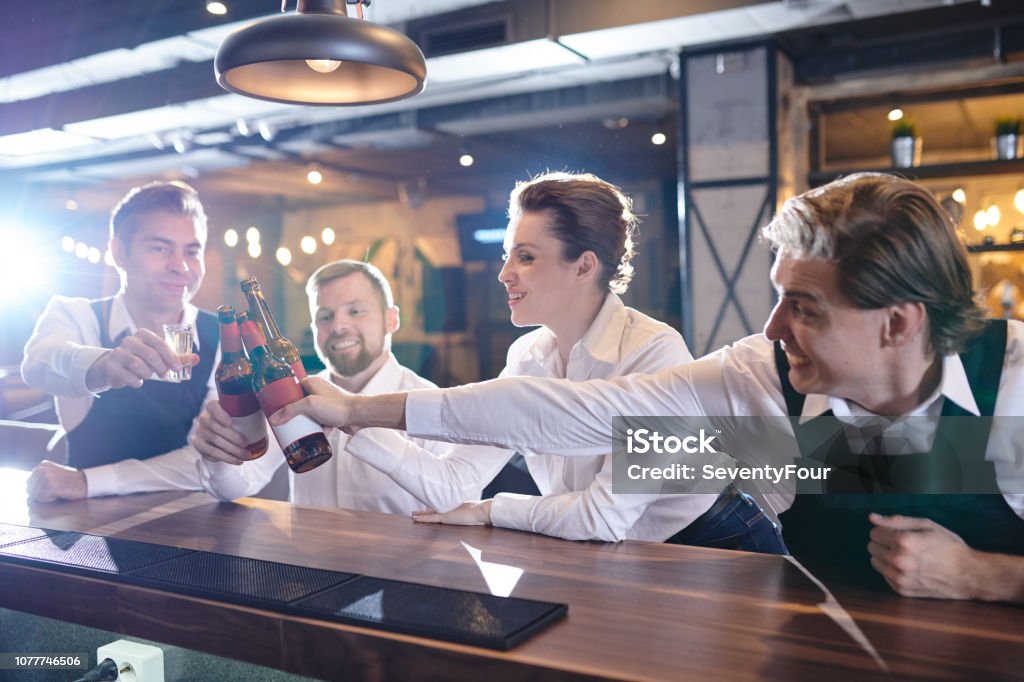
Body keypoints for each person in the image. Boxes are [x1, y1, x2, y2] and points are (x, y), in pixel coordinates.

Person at [270, 173, 1024, 601]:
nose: (770, 328)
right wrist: (354, 411)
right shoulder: (755, 394)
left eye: (805, 307)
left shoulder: (1015, 385)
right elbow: (576, 416)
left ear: (897, 325)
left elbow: (604, 509)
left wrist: (985, 575)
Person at [275, 172, 786, 552]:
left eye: (525, 257)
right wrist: (347, 420)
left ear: (584, 266)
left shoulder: (654, 352)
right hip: (609, 555)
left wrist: (496, 510)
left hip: (715, 545)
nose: (502, 274)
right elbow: (452, 483)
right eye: (506, 255)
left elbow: (604, 518)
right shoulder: (528, 354)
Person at [191, 259, 507, 513]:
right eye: (324, 317)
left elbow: (457, 506)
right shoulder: (293, 396)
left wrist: (355, 416)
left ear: (391, 320)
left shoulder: (431, 402)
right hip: (308, 575)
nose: (339, 326)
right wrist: (217, 456)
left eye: (356, 311)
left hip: (399, 581)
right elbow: (234, 487)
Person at [21, 181, 214, 502]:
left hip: (191, 523)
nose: (180, 266)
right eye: (160, 248)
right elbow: (39, 363)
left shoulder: (222, 337)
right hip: (83, 522)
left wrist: (90, 482)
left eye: (192, 252)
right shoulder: (76, 315)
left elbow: (210, 462)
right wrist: (104, 366)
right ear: (119, 253)